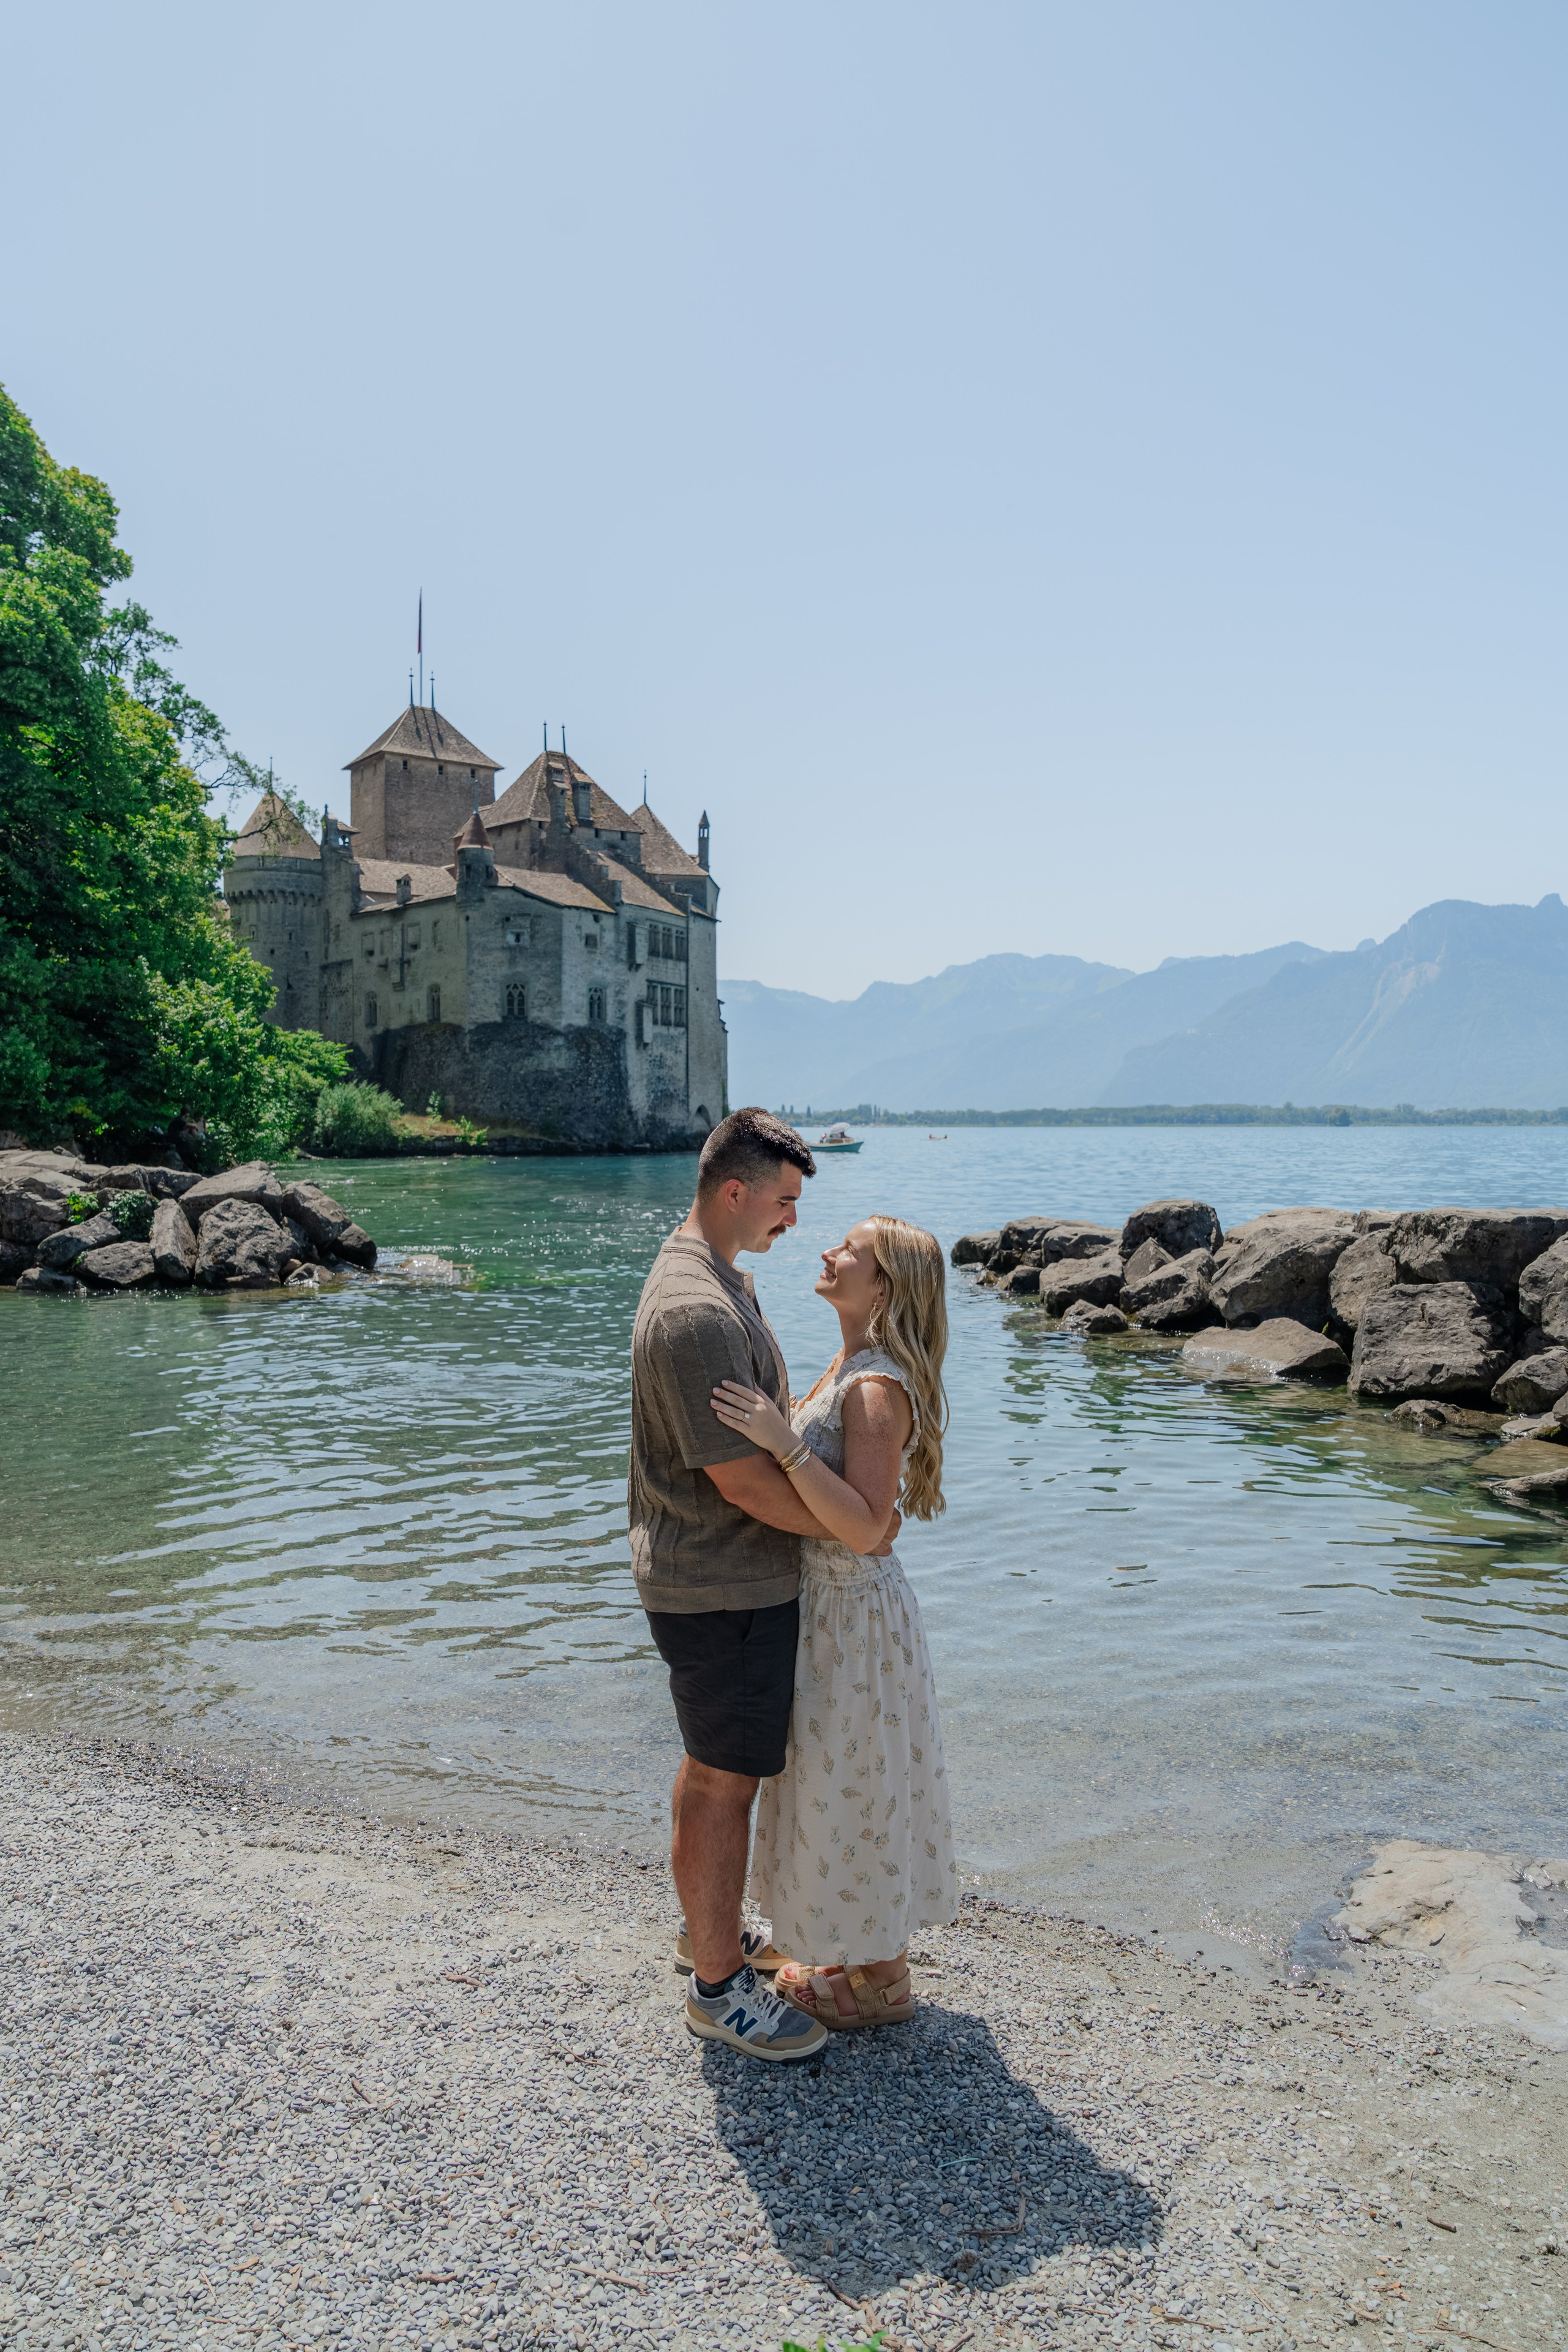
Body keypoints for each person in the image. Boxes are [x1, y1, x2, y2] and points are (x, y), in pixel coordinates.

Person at [629, 1107, 898, 2063]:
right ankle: (718, 1990)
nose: (792, 1221)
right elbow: (740, 1480)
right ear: (734, 1191)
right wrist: (853, 1531)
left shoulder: (717, 1276)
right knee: (723, 1785)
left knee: (714, 1773)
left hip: (717, 1579)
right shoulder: (697, 1309)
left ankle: (711, 1941)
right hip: (721, 1582)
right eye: (784, 1202)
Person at [708, 1214, 957, 2029]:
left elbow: (864, 1523)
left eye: (850, 1250)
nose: (829, 1251)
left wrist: (781, 1441)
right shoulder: (849, 1363)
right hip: (831, 1610)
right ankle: (849, 1948)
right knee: (836, 1783)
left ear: (883, 1286)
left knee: (855, 1786)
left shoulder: (876, 1387)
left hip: (852, 1616)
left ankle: (882, 1982)